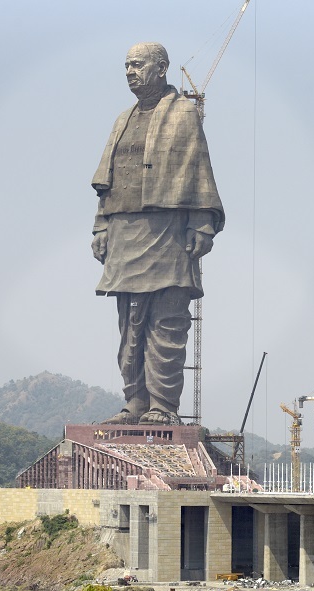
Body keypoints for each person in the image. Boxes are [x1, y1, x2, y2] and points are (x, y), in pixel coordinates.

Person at [91, 42, 224, 425]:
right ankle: (134, 401)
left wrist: (201, 222)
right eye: (126, 65)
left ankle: (162, 406)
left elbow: (197, 169)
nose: (130, 71)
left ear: (161, 68)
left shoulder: (183, 113)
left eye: (137, 64)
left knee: (167, 321)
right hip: (124, 232)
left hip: (168, 232)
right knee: (129, 323)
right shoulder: (123, 119)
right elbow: (108, 180)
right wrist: (101, 225)